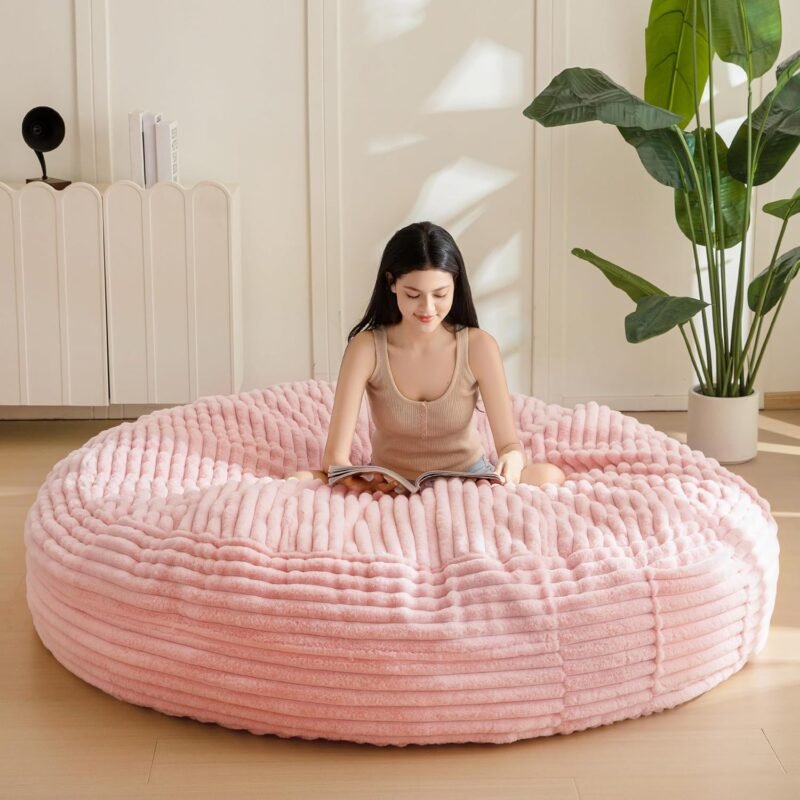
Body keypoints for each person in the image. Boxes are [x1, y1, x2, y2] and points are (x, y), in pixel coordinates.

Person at [289, 221, 566, 494]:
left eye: (440, 294)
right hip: (389, 485)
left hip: (469, 481)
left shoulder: (479, 346)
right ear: (392, 283)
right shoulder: (366, 348)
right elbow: (335, 458)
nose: (427, 308)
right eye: (413, 295)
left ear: (455, 284)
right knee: (299, 478)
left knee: (550, 474)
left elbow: (510, 446)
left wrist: (512, 460)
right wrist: (356, 480)